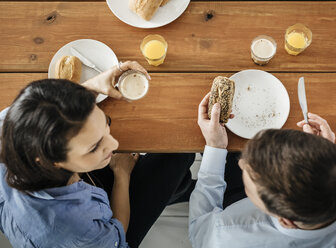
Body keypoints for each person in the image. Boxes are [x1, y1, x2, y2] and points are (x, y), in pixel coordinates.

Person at [0, 61, 195, 248]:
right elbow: (118, 236)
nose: (115, 144)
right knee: (178, 157)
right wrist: (122, 174)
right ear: (53, 162)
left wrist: (93, 86)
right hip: (110, 238)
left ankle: (179, 190)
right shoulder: (76, 231)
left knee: (175, 169)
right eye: (94, 147)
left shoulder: (13, 121)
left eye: (105, 123)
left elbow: (56, 114)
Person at [189, 92, 336, 248]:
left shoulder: (227, 234)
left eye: (250, 182)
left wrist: (215, 146)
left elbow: (199, 227)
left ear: (286, 221)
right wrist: (321, 153)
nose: (241, 163)